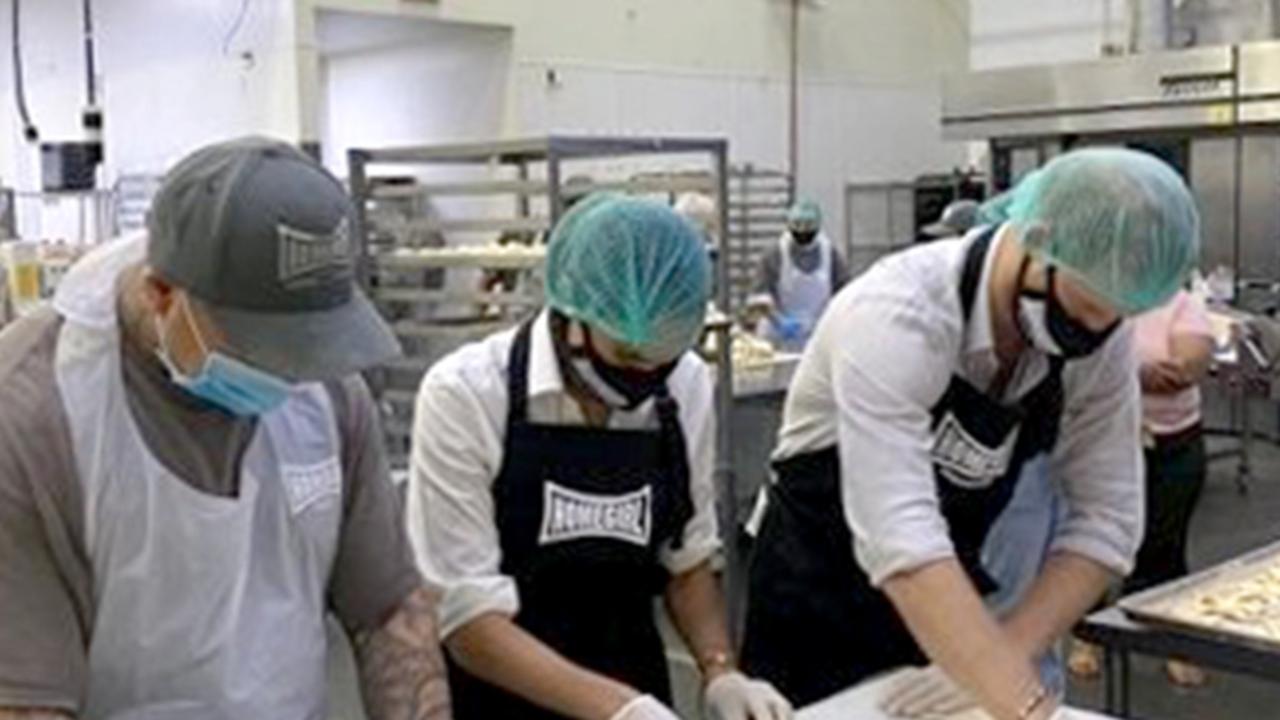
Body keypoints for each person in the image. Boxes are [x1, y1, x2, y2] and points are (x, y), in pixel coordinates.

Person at [740, 148, 1200, 719]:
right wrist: (1016, 696)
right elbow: (900, 532)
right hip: (815, 604)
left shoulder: (1099, 341)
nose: (1094, 333)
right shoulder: (898, 316)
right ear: (1034, 240)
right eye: (1083, 309)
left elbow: (1108, 520)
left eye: (1116, 318)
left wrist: (1004, 651)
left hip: (948, 601)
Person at [0, 137, 450, 720]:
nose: (290, 373)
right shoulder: (34, 415)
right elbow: (26, 702)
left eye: (307, 346)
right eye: (260, 345)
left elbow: (389, 613)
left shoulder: (330, 389)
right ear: (161, 293)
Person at [407, 194, 791, 720]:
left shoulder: (684, 386)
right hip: (502, 691)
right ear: (572, 314)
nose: (648, 376)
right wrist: (621, 710)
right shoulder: (468, 395)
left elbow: (687, 560)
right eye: (629, 355)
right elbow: (469, 624)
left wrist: (720, 669)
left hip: (634, 675)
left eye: (665, 356)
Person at [1069, 288, 1215, 687]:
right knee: (1090, 546)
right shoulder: (1091, 297)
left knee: (1164, 547)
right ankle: (1088, 635)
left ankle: (1169, 640)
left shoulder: (1180, 302)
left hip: (1174, 444)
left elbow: (1193, 357)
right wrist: (1135, 373)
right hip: (1105, 443)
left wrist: (1177, 369)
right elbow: (1079, 361)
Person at [745, 199, 849, 352]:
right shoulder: (775, 254)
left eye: (808, 231)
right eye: (798, 231)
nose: (803, 236)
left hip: (817, 334)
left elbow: (844, 295)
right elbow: (758, 297)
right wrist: (779, 321)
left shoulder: (830, 255)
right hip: (779, 336)